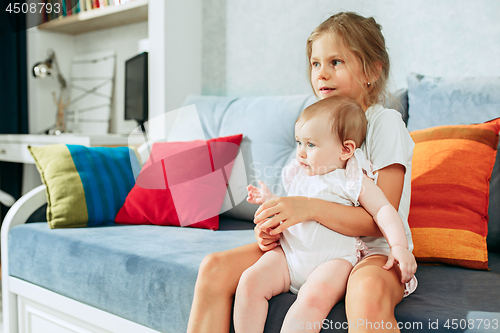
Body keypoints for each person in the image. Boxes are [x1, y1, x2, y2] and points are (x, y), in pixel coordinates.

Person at [187, 12, 417, 333]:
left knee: (365, 292)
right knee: (214, 268)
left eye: (336, 62)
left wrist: (307, 209)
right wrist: (272, 230)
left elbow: (380, 220)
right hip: (305, 245)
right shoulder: (312, 128)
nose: (322, 74)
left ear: (373, 70)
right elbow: (294, 201)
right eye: (315, 63)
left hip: (369, 250)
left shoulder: (384, 123)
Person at [234, 96, 417, 333]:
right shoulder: (299, 174)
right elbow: (290, 208)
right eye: (298, 142)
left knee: (312, 300)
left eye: (310, 145)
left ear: (345, 149)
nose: (300, 152)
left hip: (333, 261)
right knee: (249, 282)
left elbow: (384, 210)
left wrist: (399, 246)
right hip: (290, 256)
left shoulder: (352, 179)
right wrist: (270, 200)